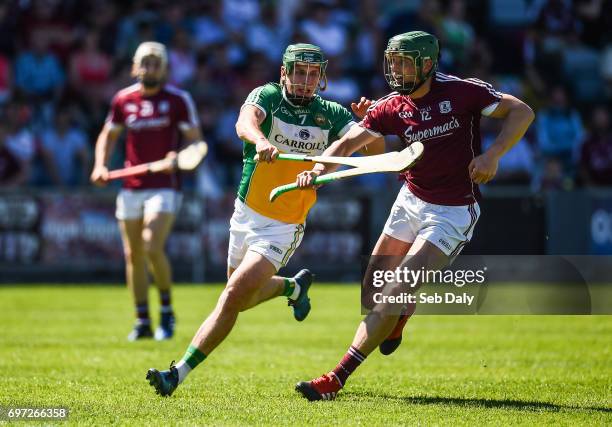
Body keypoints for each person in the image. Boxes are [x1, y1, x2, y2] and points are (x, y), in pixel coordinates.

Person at [294, 31, 535, 401]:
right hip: (410, 200)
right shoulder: (392, 105)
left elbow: (523, 111)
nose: (395, 70)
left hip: (452, 210)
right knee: (373, 291)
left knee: (394, 289)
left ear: (427, 64)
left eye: (404, 62)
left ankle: (336, 378)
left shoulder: (462, 91)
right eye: (392, 62)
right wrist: (318, 169)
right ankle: (401, 312)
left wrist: (493, 155)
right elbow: (348, 143)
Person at [146, 43, 381, 397]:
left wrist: (370, 124)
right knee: (242, 295)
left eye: (312, 74)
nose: (305, 80)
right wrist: (259, 141)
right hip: (245, 214)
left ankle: (177, 373)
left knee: (233, 295)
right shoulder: (267, 96)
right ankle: (292, 286)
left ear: (321, 78)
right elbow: (245, 122)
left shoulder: (331, 114)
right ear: (284, 73)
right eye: (299, 72)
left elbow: (373, 152)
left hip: (283, 225)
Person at [90, 42, 205, 341]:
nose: (150, 68)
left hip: (164, 187)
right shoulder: (123, 100)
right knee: (133, 255)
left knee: (151, 245)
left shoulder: (179, 100)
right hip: (131, 187)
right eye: (146, 62)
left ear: (165, 69)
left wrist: (176, 158)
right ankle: (142, 320)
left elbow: (196, 143)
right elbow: (108, 135)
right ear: (134, 67)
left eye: (157, 63)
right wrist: (100, 165)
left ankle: (166, 313)